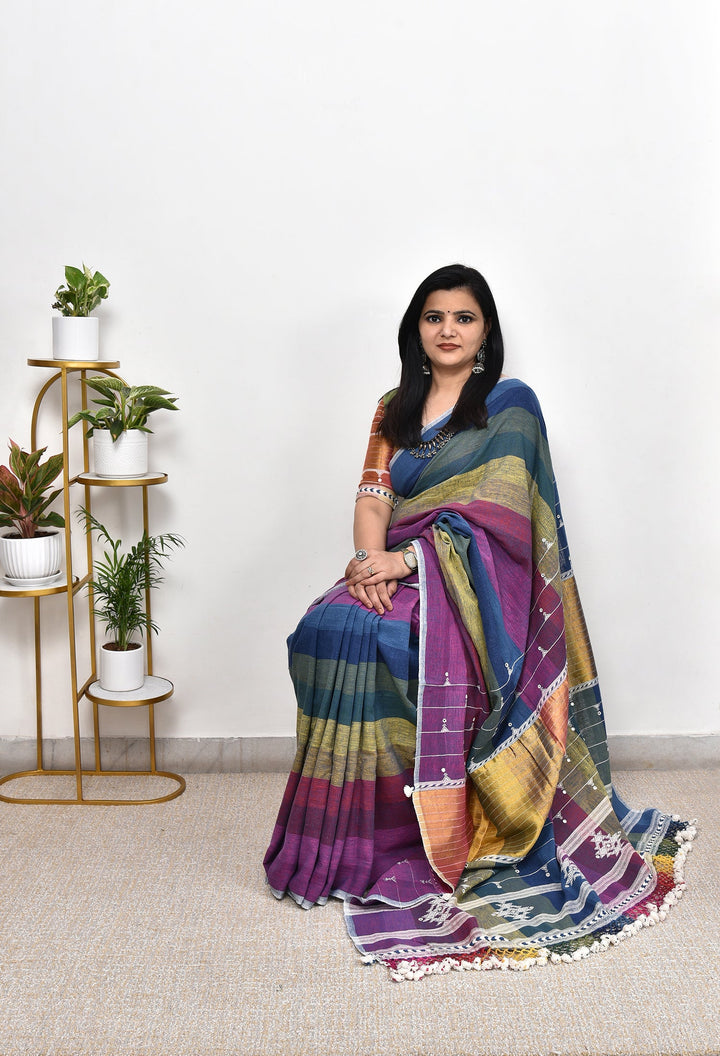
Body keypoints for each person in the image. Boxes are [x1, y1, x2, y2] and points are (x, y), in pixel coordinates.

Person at [263, 264, 695, 981]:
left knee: (398, 638)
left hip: (471, 584)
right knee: (327, 629)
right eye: (434, 317)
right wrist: (368, 563)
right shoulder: (392, 407)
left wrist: (409, 561)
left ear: (485, 329)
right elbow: (372, 497)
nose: (448, 330)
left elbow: (505, 521)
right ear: (416, 330)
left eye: (463, 317)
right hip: (392, 565)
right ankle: (346, 837)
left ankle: (422, 834)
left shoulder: (509, 405)